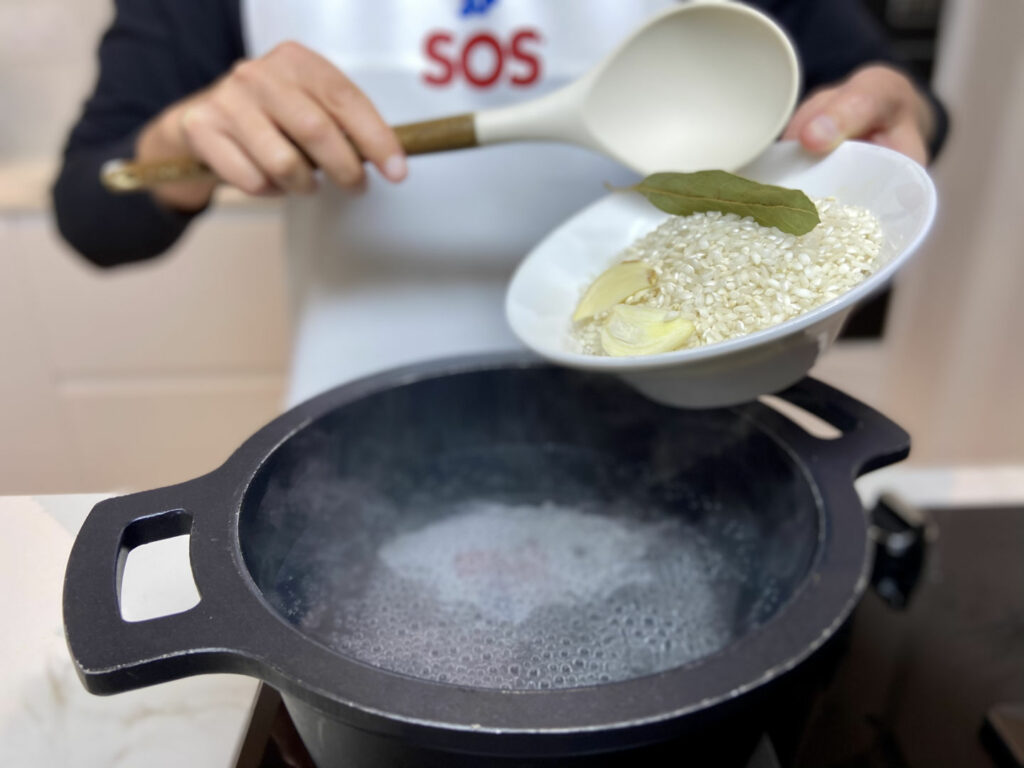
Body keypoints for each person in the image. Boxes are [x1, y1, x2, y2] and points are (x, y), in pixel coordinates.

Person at [53, 0, 947, 406]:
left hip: (677, 410)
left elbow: (885, 96)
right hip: (354, 425)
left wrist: (898, 108)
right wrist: (180, 142)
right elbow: (93, 207)